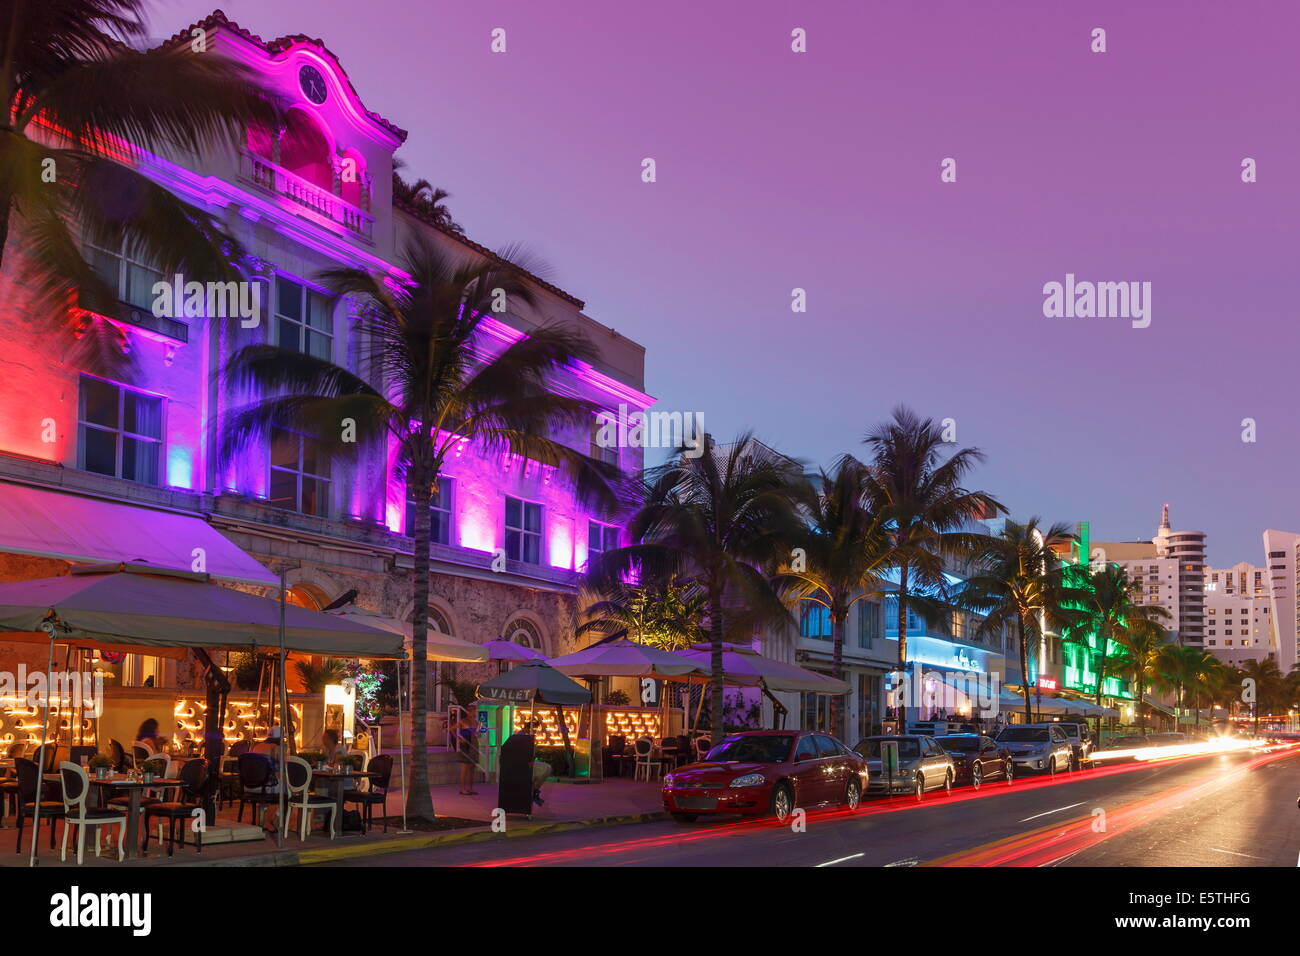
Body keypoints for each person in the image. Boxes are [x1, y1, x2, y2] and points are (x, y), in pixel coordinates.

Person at [452, 710, 480, 795]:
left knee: (472, 768)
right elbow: (451, 729)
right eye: (471, 711)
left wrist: (478, 734)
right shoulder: (463, 721)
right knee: (464, 768)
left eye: (474, 711)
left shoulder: (477, 722)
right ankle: (462, 788)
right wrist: (458, 738)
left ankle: (470, 788)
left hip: (474, 746)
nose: (473, 713)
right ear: (468, 712)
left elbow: (479, 734)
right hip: (466, 746)